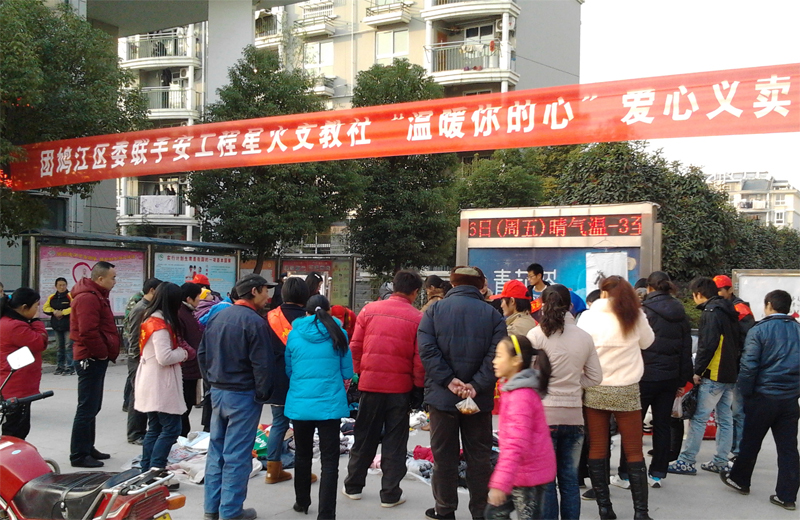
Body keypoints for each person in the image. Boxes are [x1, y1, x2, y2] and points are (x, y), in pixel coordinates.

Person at [418, 266, 507, 520]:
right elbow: (497, 355)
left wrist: (448, 380)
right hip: (477, 399)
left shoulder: (434, 311)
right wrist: (475, 385)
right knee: (479, 457)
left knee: (444, 457)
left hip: (443, 398)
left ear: (453, 284)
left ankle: (444, 509)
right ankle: (481, 511)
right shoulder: (493, 315)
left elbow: (427, 349)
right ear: (480, 286)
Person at [343, 270, 425, 508]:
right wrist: (418, 388)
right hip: (400, 390)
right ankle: (390, 494)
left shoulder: (369, 310)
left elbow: (355, 347)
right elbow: (419, 359)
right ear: (415, 292)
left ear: (393, 287)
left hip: (370, 387)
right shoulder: (418, 318)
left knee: (364, 437)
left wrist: (360, 374)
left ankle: (353, 486)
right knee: (395, 442)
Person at [198, 274, 276, 520]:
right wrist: (262, 392)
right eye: (265, 290)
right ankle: (230, 511)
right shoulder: (255, 322)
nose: (268, 296)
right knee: (237, 455)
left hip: (218, 391)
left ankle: (212, 508)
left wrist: (211, 382)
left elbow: (202, 353)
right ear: (254, 291)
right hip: (242, 394)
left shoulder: (218, 316)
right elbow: (263, 364)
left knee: (216, 451)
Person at [577, 275, 655, 520]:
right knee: (634, 451)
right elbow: (648, 342)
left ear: (602, 293)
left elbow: (580, 349)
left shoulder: (588, 317)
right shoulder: (635, 315)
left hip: (596, 387)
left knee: (598, 447)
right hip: (627, 389)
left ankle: (605, 509)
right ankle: (641, 513)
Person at [527, 284, 602, 520]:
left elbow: (526, 376)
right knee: (570, 480)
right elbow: (596, 377)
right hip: (574, 416)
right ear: (570, 306)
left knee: (547, 480)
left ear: (542, 305)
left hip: (544, 416)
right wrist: (574, 382)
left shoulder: (535, 335)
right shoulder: (584, 337)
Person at [720, 289, 799, 511]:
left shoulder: (759, 330)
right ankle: (787, 496)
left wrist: (746, 394)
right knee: (788, 448)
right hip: (790, 398)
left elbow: (749, 366)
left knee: (750, 442)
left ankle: (740, 480)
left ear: (769, 305)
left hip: (763, 396)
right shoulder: (798, 330)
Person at [617, 272, 693, 489]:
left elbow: (631, 345)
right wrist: (682, 380)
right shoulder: (680, 312)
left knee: (633, 425)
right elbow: (686, 348)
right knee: (662, 425)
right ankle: (657, 474)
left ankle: (626, 474)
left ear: (649, 288)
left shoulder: (643, 312)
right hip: (669, 378)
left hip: (643, 376)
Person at [285, 294, 354, 519]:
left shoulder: (294, 334)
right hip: (330, 405)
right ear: (329, 311)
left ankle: (301, 502)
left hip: (300, 404)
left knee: (302, 455)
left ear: (306, 312)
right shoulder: (339, 333)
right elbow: (347, 372)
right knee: (330, 461)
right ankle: (326, 514)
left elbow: (289, 370)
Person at [668, 276, 741, 477]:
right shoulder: (729, 310)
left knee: (699, 418)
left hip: (713, 373)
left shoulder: (711, 312)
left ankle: (687, 460)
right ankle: (720, 461)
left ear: (699, 294)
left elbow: (708, 345)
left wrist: (698, 371)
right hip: (730, 374)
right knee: (725, 418)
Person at [487, 335, 556, 520]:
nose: (494, 361)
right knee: (493, 514)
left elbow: (516, 444)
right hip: (519, 472)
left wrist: (500, 482)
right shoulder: (513, 390)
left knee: (496, 514)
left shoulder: (521, 396)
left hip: (528, 476)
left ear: (516, 360)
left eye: (499, 356)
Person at [135, 282, 195, 471]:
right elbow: (164, 357)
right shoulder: (160, 325)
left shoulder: (150, 318)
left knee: (155, 428)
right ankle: (156, 467)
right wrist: (184, 353)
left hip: (152, 379)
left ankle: (147, 468)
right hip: (160, 382)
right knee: (171, 428)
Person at [69, 261, 121, 468]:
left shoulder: (97, 295)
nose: (115, 281)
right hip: (89, 358)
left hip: (94, 357)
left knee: (93, 406)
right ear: (100, 278)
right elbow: (87, 331)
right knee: (87, 407)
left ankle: (88, 447)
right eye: (112, 278)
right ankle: (79, 454)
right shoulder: (88, 298)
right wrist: (101, 353)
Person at [263, 277, 311, 485]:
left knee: (278, 424)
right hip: (303, 380)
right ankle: (303, 472)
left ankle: (272, 471)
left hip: (277, 379)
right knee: (303, 427)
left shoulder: (269, 317)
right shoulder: (309, 319)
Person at [713, 274, 755, 461]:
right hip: (726, 366)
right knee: (727, 412)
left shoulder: (740, 310)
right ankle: (730, 448)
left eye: (720, 290)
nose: (718, 293)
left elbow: (748, 341)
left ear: (730, 289)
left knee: (737, 411)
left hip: (738, 366)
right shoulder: (722, 307)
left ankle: (738, 450)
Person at [0, 288, 49, 439]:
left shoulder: (10, 322)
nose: (37, 310)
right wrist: (36, 321)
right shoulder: (15, 326)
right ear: (24, 308)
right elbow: (40, 342)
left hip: (14, 383)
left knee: (17, 427)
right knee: (15, 431)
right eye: (35, 306)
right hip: (15, 385)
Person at [123, 277, 162, 444]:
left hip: (143, 357)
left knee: (143, 394)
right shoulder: (141, 308)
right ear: (152, 290)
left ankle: (141, 430)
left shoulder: (149, 307)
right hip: (138, 358)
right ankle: (135, 433)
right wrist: (137, 358)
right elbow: (133, 337)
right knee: (137, 395)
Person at [178, 282, 204, 437]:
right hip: (186, 367)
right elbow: (181, 340)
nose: (200, 300)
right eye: (198, 297)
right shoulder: (181, 314)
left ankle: (182, 432)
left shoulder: (189, 312)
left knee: (188, 402)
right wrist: (193, 353)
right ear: (189, 298)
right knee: (184, 403)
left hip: (192, 366)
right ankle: (180, 434)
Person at [43, 277, 74, 375]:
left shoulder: (70, 296)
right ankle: (60, 367)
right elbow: (45, 308)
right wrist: (54, 311)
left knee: (68, 346)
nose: (62, 287)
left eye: (64, 285)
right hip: (57, 326)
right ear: (56, 286)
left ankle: (70, 367)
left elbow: (74, 307)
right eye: (60, 285)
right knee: (59, 347)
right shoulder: (52, 297)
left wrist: (63, 312)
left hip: (68, 326)